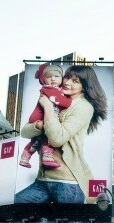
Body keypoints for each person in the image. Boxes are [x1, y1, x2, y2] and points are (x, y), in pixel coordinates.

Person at [15, 64, 107, 204]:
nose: (67, 83)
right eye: (67, 77)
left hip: (68, 183)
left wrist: (47, 106)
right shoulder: (56, 96)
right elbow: (24, 132)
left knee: (65, 220)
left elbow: (57, 139)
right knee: (15, 206)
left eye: (75, 81)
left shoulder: (83, 107)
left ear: (84, 86)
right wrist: (38, 125)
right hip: (42, 181)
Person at [19, 64, 71, 169]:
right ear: (43, 80)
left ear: (62, 78)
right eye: (48, 77)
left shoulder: (57, 90)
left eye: (56, 76)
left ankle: (25, 158)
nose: (53, 79)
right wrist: (69, 100)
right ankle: (47, 158)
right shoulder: (48, 89)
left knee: (37, 140)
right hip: (40, 117)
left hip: (42, 117)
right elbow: (63, 102)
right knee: (49, 135)